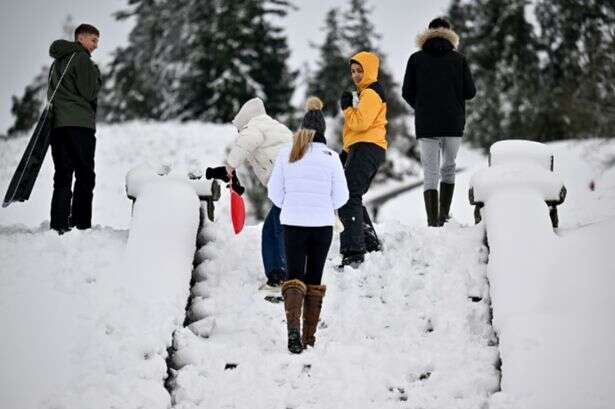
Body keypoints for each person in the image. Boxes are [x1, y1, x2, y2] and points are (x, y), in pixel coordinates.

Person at [268, 97, 349, 353]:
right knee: (314, 278)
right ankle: (309, 337)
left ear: (303, 128)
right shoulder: (332, 157)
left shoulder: (287, 153)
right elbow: (342, 198)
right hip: (321, 226)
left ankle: (292, 332)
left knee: (294, 276)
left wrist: (292, 204)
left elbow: (274, 193)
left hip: (292, 224)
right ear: (323, 131)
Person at [401, 17, 476, 226]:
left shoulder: (416, 59)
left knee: (430, 172)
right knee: (449, 168)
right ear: (450, 33)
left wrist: (424, 108)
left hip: (427, 124)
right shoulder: (459, 60)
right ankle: (444, 216)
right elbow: (470, 92)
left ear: (429, 32)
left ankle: (432, 221)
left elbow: (407, 92)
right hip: (453, 123)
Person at [225, 97, 293, 289]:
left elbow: (248, 141)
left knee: (278, 230)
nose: (239, 133)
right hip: (292, 182)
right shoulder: (273, 126)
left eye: (239, 130)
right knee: (272, 229)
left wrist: (230, 165)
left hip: (287, 183)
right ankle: (278, 274)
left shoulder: (255, 126)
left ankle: (282, 278)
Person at [48, 23, 102, 234]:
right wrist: (96, 74)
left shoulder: (58, 62)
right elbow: (89, 92)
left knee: (62, 175)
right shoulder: (81, 59)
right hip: (79, 126)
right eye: (93, 40)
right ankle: (81, 224)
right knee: (85, 175)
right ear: (81, 38)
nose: (96, 46)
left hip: (58, 126)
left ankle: (59, 224)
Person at [338, 51, 388, 268]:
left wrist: (347, 108)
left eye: (360, 71)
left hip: (367, 147)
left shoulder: (371, 93)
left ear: (370, 71)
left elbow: (360, 124)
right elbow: (356, 129)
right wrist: (346, 151)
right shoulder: (365, 94)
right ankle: (369, 242)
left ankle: (353, 252)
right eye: (353, 71)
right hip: (360, 147)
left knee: (347, 196)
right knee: (350, 194)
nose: (356, 75)